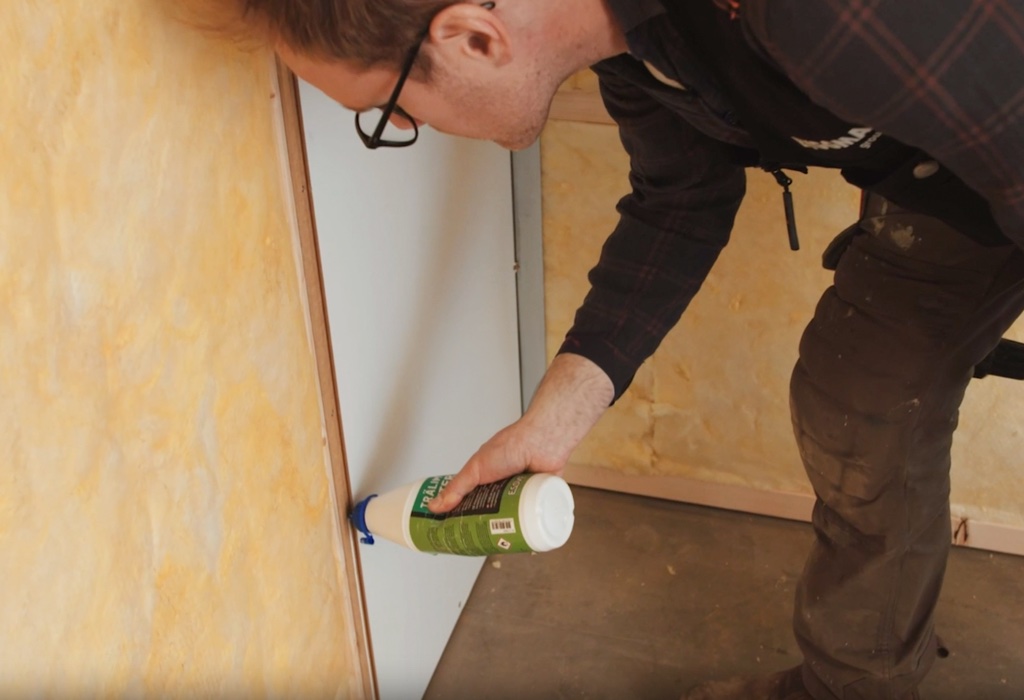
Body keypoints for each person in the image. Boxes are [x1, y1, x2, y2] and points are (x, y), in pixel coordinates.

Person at [197, 0, 1024, 697]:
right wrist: (553, 420)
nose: (409, 128)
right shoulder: (628, 42)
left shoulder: (824, 13)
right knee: (858, 401)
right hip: (946, 169)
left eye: (387, 113)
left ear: (473, 39)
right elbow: (681, 198)